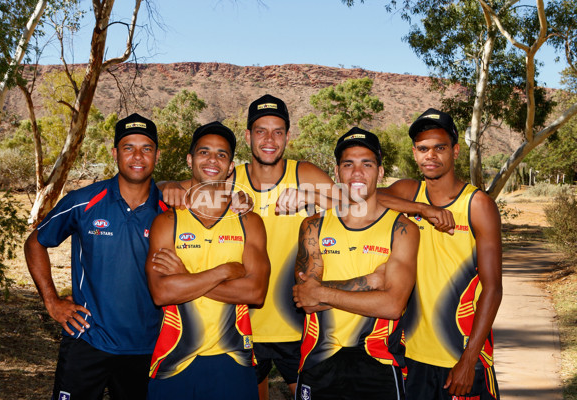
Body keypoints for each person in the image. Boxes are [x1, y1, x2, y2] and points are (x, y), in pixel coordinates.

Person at [159, 95, 456, 399]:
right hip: (245, 325)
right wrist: (167, 185)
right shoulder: (229, 178)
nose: (269, 139)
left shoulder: (305, 175)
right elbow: (176, 189)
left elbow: (359, 196)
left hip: (299, 326)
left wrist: (419, 208)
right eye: (261, 131)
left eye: (278, 131)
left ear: (288, 136)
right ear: (248, 136)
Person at [24, 113, 168, 400]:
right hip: (87, 341)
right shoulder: (84, 201)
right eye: (128, 147)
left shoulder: (170, 211)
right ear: (115, 153)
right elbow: (35, 243)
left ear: (157, 155)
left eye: (146, 148)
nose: (137, 156)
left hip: (148, 347)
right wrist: (51, 302)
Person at [381, 109, 502, 399]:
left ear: (455, 151)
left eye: (440, 148)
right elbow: (359, 199)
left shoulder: (477, 205)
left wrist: (469, 360)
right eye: (423, 149)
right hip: (411, 354)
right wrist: (423, 209)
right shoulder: (408, 193)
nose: (431, 156)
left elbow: (493, 288)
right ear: (414, 153)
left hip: (460, 356)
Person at [145, 121, 270, 400]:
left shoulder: (249, 222)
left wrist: (186, 277)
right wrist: (225, 271)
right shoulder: (167, 222)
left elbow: (255, 292)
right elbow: (162, 293)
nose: (212, 160)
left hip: (233, 359)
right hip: (174, 360)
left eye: (221, 155)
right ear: (190, 159)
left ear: (230, 167)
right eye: (204, 152)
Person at [292, 128, 419, 400]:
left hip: (379, 363)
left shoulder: (402, 229)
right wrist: (372, 283)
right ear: (337, 173)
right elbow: (306, 299)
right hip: (319, 360)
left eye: (367, 164)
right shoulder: (313, 225)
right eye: (348, 164)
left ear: (381, 172)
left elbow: (392, 305)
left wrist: (323, 292)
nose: (357, 173)